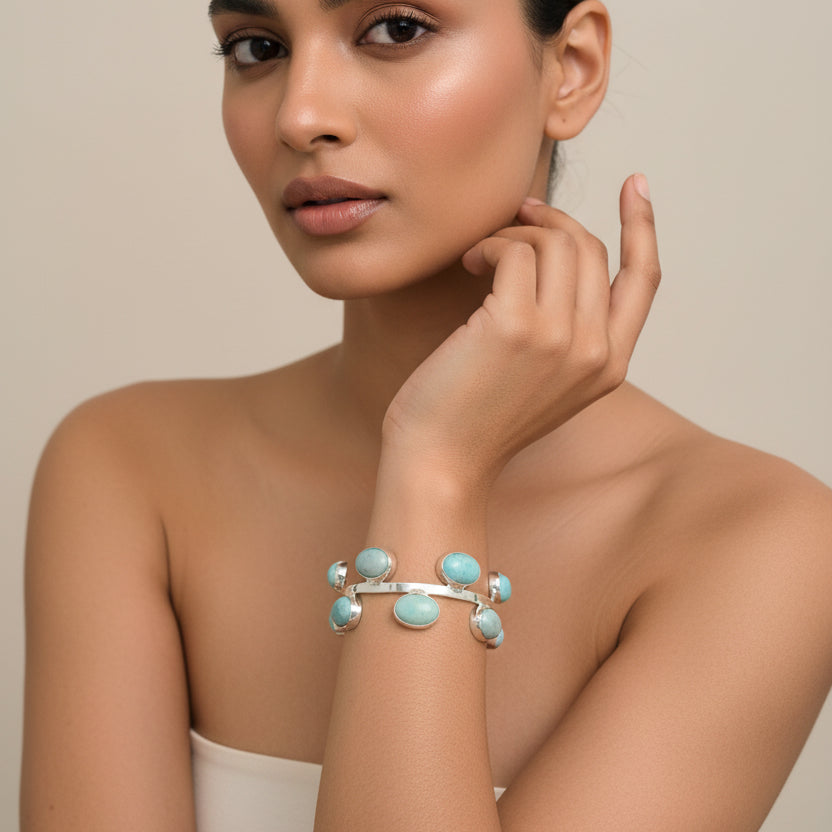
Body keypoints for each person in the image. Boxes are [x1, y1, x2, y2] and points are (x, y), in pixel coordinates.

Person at [19, 0, 832, 829]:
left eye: (396, 29)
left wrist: (436, 469)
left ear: (572, 69)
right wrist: (438, 463)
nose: (301, 115)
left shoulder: (759, 540)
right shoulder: (129, 469)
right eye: (256, 47)